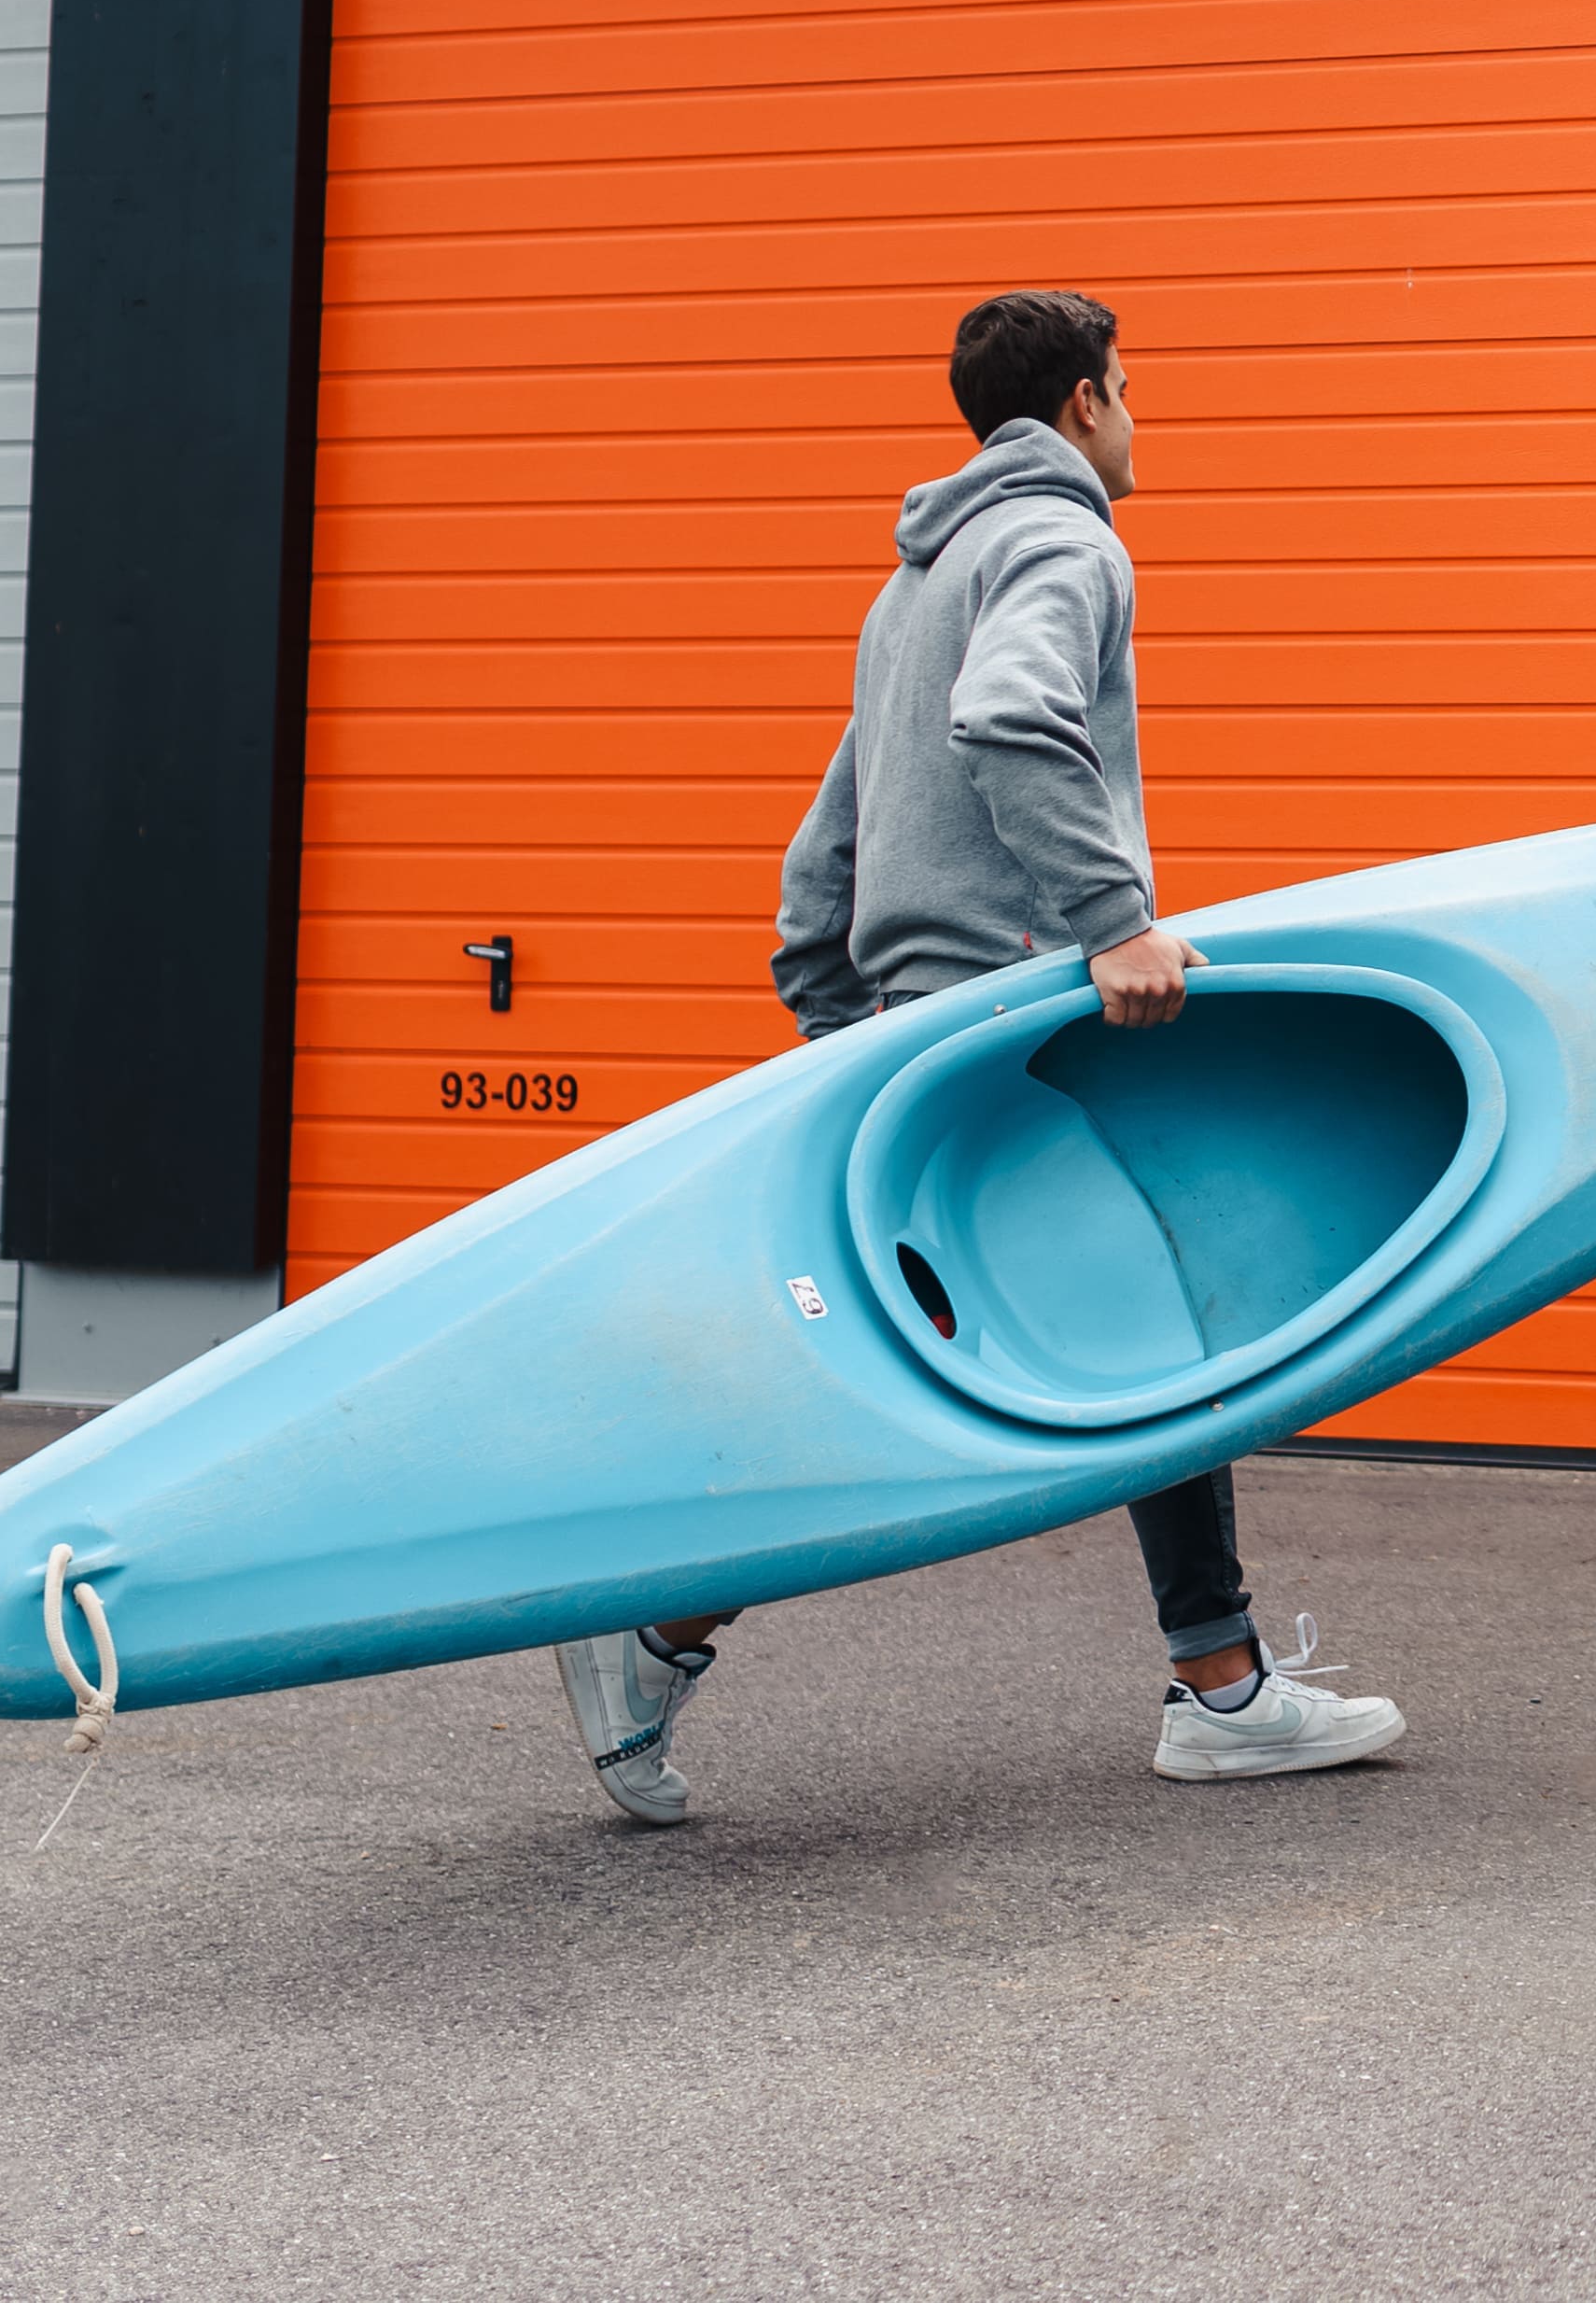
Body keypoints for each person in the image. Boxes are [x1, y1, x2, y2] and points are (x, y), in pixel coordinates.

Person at [546, 288, 1407, 1824]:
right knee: (1156, 1331)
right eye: (1132, 388)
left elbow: (830, 847)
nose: (1140, 418)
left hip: (919, 1034)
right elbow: (1013, 720)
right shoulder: (1067, 542)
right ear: (1083, 402)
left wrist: (840, 1026)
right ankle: (1217, 1693)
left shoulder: (913, 582)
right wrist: (1115, 920)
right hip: (1014, 1023)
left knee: (943, 1361)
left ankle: (662, 1631)